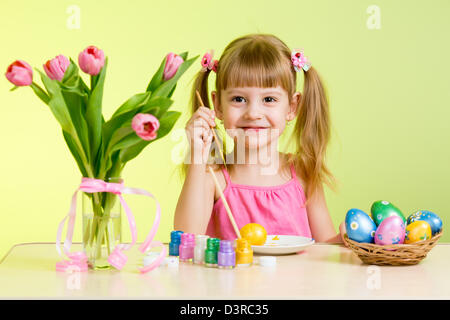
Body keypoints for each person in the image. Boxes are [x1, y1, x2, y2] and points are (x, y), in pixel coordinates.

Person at [174, 33, 346, 243]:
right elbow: (186, 237)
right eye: (238, 99)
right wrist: (197, 156)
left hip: (297, 278)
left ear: (292, 107)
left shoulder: (304, 173)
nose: (253, 113)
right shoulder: (213, 177)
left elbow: (325, 248)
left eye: (269, 99)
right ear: (218, 105)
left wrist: (345, 239)